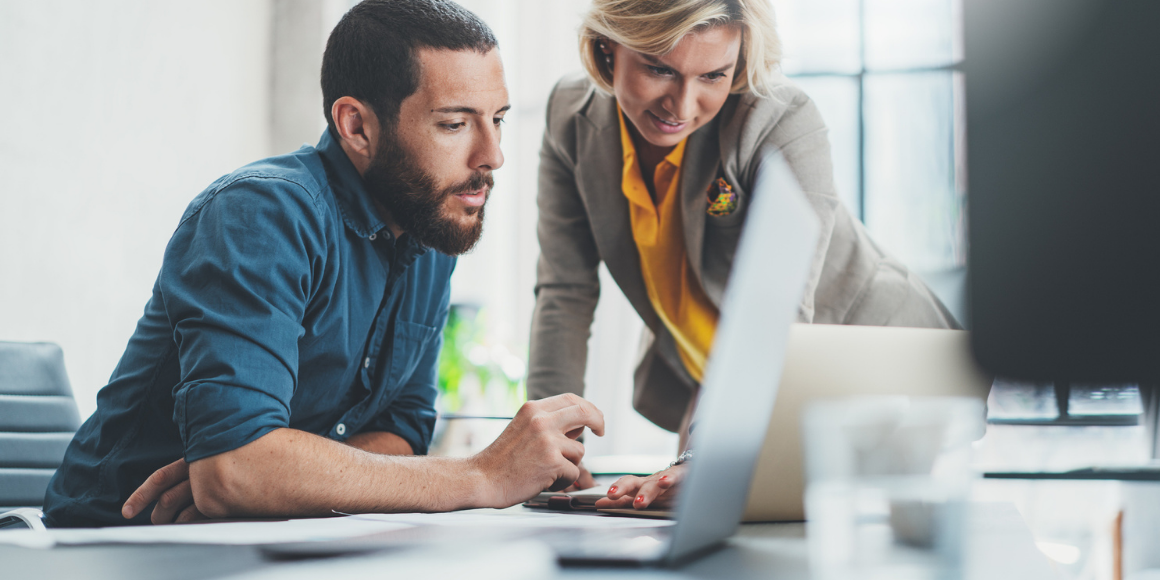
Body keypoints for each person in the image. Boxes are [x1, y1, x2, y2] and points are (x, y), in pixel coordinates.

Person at [42, 0, 603, 528]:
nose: (493, 155)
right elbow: (233, 472)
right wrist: (479, 475)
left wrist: (276, 476)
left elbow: (400, 432)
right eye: (455, 124)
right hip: (112, 540)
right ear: (357, 126)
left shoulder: (429, 229)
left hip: (269, 541)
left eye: (498, 118)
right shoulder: (260, 214)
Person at [526, 0, 958, 510]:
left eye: (713, 75)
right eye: (659, 68)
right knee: (687, 527)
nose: (682, 105)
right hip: (720, 379)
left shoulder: (780, 120)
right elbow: (565, 293)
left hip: (874, 369)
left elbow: (773, 315)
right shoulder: (570, 116)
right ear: (607, 49)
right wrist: (549, 449)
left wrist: (704, 454)